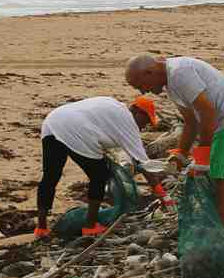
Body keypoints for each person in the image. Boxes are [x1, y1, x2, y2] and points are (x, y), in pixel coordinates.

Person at [125, 54, 224, 234]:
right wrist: (181, 153)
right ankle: (216, 229)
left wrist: (202, 155)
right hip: (221, 128)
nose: (142, 92)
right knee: (207, 178)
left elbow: (207, 113)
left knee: (219, 182)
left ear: (149, 72)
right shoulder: (171, 85)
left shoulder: (180, 73)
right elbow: (191, 122)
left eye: (140, 86)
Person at [36, 95, 172, 238]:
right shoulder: (128, 121)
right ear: (136, 111)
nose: (145, 126)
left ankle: (41, 228)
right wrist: (161, 193)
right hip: (75, 128)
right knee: (99, 175)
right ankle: (90, 226)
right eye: (146, 120)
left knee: (50, 176)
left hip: (53, 121)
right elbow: (143, 163)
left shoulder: (112, 103)